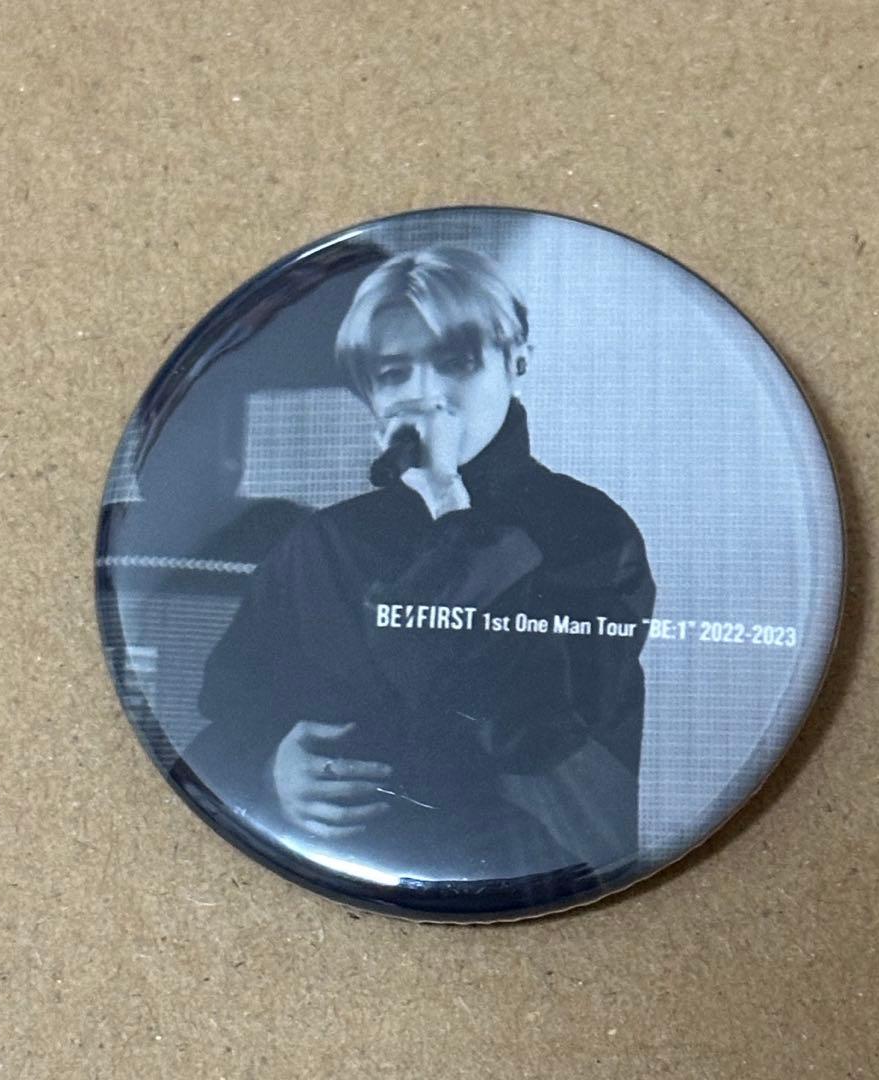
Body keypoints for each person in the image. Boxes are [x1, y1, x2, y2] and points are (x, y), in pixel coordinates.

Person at [172, 245, 656, 891]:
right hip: (323, 884)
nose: (426, 395)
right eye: (394, 373)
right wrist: (271, 772)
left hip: (526, 880)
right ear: (370, 395)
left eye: (456, 362)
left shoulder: (589, 530)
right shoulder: (323, 543)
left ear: (516, 362)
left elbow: (532, 733)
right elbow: (228, 716)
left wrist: (450, 508)